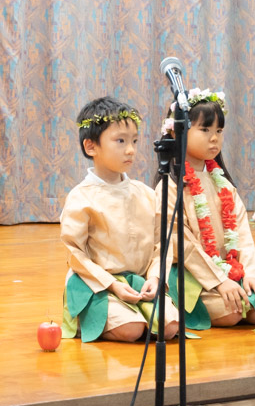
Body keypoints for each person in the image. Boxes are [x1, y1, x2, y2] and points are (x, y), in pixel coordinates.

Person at [60, 96, 180, 342]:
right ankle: (89, 315)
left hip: (138, 282)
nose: (130, 149)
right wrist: (113, 285)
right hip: (99, 283)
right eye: (120, 141)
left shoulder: (146, 193)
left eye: (134, 141)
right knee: (132, 329)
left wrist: (155, 277)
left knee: (169, 328)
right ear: (91, 147)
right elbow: (74, 252)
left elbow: (162, 244)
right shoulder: (81, 197)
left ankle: (137, 309)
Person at [156, 89, 255, 327]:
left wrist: (251, 275)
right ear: (177, 133)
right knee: (231, 314)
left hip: (228, 270)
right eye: (205, 130)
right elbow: (183, 245)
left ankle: (237, 288)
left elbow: (242, 235)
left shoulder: (222, 183)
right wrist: (219, 281)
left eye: (219, 131)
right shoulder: (171, 186)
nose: (214, 138)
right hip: (193, 274)